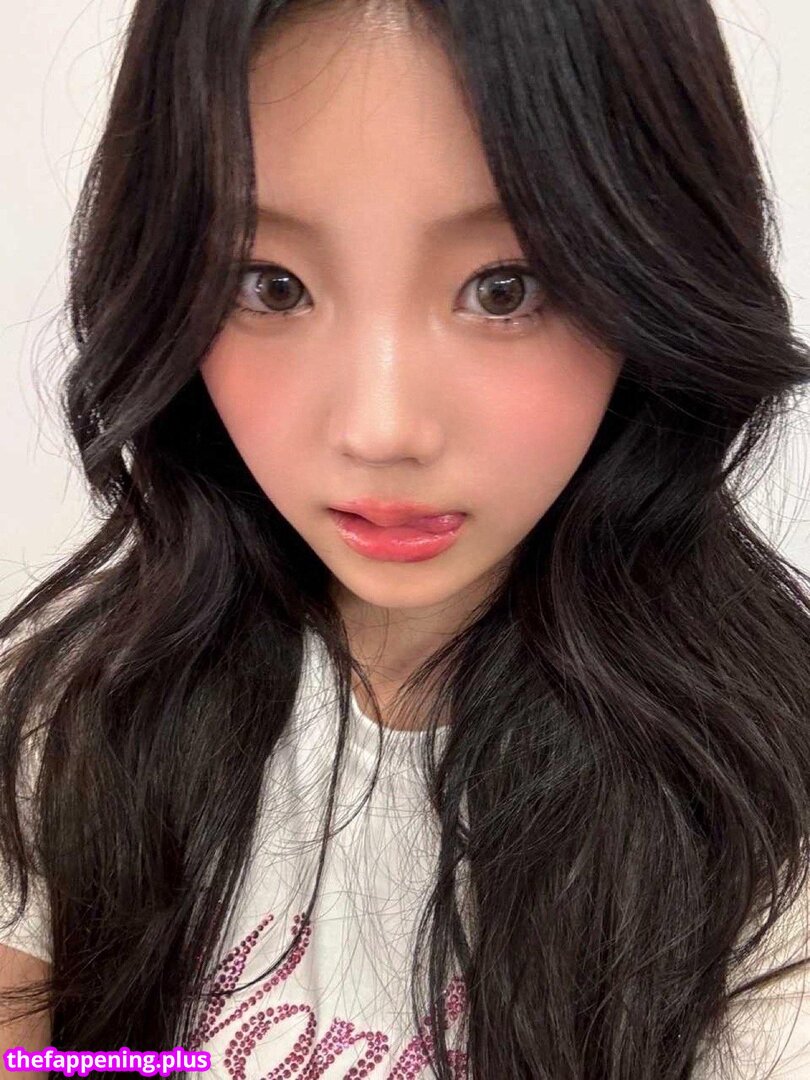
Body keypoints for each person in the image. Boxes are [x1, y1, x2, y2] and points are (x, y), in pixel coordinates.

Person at [2, 0, 809, 1076]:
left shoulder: (765, 814)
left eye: (506, 289)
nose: (380, 430)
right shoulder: (80, 705)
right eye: (270, 285)